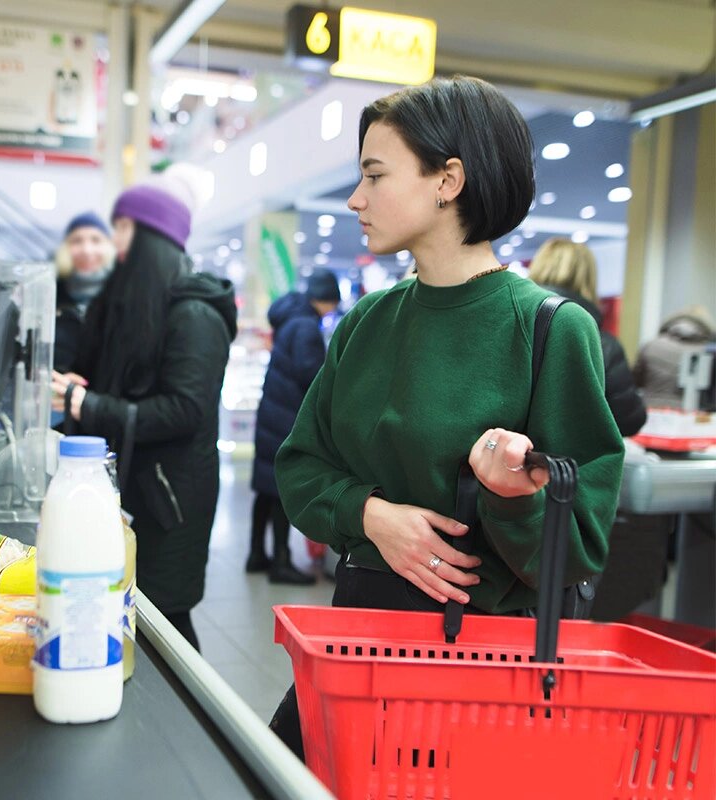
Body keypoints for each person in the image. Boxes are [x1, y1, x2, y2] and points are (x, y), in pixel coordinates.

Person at [269, 76, 624, 758]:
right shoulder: (368, 323)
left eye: (375, 174)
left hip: (480, 674)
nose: (356, 198)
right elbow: (300, 466)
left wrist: (512, 495)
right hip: (358, 647)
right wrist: (373, 516)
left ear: (448, 180)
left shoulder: (551, 330)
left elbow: (577, 544)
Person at [51, 171, 237, 652]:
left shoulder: (194, 315)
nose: (115, 244)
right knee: (143, 615)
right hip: (143, 495)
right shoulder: (147, 310)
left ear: (153, 236)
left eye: (123, 228)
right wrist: (85, 390)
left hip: (171, 505)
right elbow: (130, 390)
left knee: (168, 623)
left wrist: (86, 404)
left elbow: (182, 411)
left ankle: (189, 724)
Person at [248, 269, 342, 584]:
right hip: (287, 417)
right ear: (327, 300)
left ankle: (257, 554)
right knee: (277, 491)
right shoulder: (306, 326)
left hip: (273, 412)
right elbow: (311, 375)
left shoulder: (291, 318)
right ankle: (281, 563)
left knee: (264, 489)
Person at [528, 238, 647, 436]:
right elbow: (629, 419)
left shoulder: (510, 328)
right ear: (589, 279)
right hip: (572, 464)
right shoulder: (603, 345)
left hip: (505, 460)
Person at [53, 211, 114, 372]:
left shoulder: (123, 295)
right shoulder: (50, 295)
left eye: (96, 240)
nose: (87, 250)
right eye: (77, 241)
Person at [632, 305, 716, 409]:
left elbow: (635, 381)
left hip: (651, 411)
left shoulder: (653, 345)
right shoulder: (708, 351)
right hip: (691, 415)